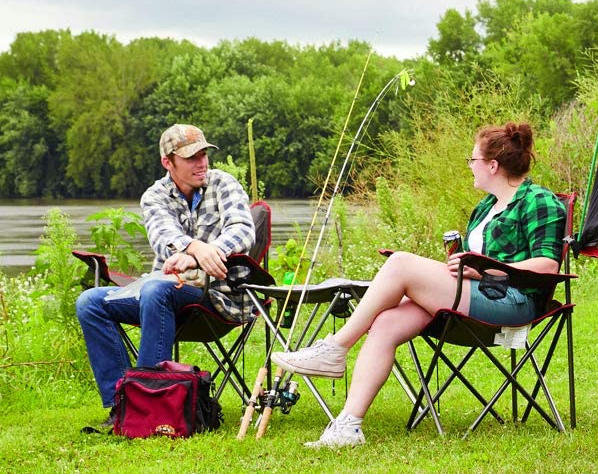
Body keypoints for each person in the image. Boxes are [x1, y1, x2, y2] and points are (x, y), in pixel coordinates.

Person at [271, 122, 565, 447]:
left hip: (513, 302)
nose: (470, 167)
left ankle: (336, 348)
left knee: (400, 264)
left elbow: (547, 264)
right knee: (385, 323)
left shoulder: (539, 201)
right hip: (475, 295)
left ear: (492, 165)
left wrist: (483, 271)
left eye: (473, 160)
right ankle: (348, 427)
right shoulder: (485, 207)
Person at [75, 124, 256, 419]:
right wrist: (196, 249)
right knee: (90, 302)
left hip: (217, 296)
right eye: (191, 157)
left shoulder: (224, 184)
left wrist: (204, 256)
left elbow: (243, 230)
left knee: (155, 289)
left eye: (204, 154)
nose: (202, 163)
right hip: (164, 291)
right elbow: (163, 238)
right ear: (167, 162)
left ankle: (152, 404)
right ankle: (121, 405)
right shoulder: (154, 195)